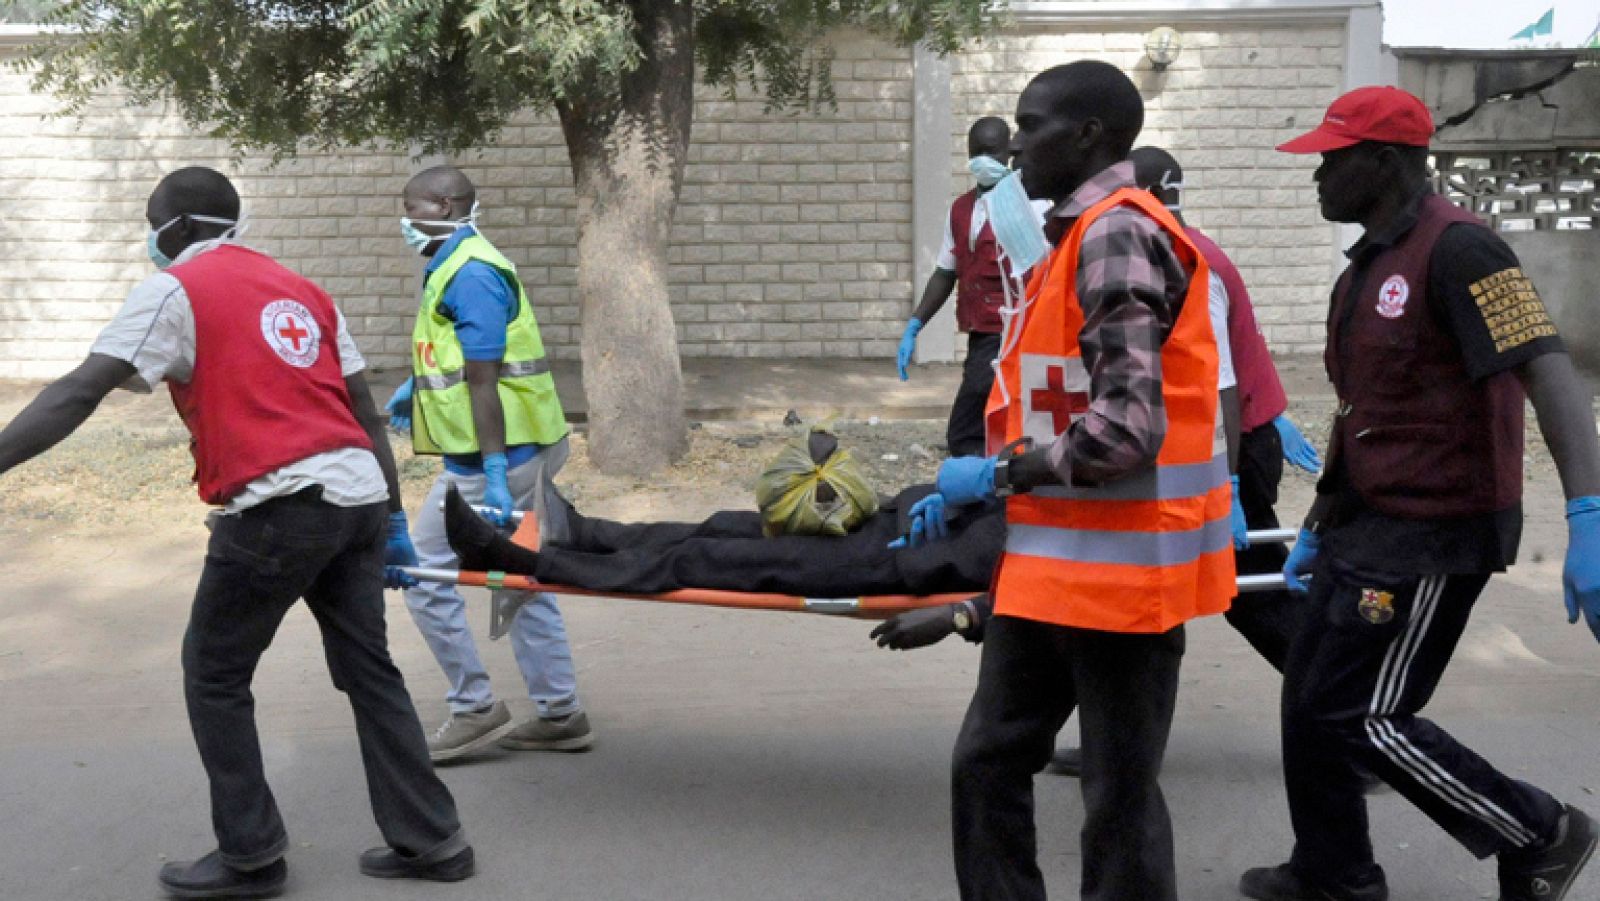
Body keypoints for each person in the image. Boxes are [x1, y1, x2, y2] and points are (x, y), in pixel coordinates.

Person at [0, 167, 472, 899]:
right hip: (354, 496)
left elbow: (80, 389)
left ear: (179, 228)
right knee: (368, 668)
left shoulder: (174, 290)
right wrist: (389, 518)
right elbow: (365, 410)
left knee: (215, 672)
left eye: (152, 226)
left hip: (280, 504)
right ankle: (433, 840)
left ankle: (251, 858)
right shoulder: (304, 290)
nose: (150, 241)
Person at [1241, 85, 1600, 901]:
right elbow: (1366, 407)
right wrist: (1320, 518)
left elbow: (1548, 370)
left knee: (1362, 713)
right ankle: (1333, 872)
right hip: (1367, 519)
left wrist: (1589, 514)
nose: (1318, 174)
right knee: (1308, 696)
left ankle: (1538, 831)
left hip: (1438, 527)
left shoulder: (1465, 249)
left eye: (1333, 158)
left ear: (1388, 160)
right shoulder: (1367, 265)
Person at [927, 61, 1234, 901]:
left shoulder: (1112, 232)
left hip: (1123, 583)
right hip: (1051, 570)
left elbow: (1126, 429)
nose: (1015, 141)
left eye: (1031, 125)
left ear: (1090, 134)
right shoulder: (1075, 233)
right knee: (991, 762)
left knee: (1117, 797)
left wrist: (996, 474)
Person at [388, 165, 593, 762]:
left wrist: (497, 474)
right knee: (518, 578)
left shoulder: (470, 272)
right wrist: (416, 384)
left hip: (493, 462)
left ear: (446, 206)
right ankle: (560, 712)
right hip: (513, 451)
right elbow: (471, 354)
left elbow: (484, 381)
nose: (403, 220)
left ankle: (475, 707)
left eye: (411, 206)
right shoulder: (460, 261)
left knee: (424, 572)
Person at [442, 481, 1003, 599]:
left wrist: (967, 616)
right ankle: (589, 533)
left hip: (899, 561)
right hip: (905, 518)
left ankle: (528, 560)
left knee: (703, 558)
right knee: (724, 524)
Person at [898, 117, 1051, 456]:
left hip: (1018, 327)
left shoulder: (1033, 205)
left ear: (1008, 152)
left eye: (992, 152)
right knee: (988, 415)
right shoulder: (962, 208)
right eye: (976, 152)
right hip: (981, 330)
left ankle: (985, 482)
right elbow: (945, 272)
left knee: (969, 427)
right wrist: (915, 323)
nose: (984, 160)